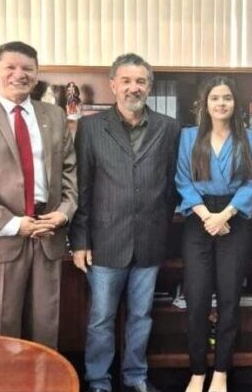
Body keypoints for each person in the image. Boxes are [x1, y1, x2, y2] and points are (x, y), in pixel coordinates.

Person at [0, 41, 78, 348]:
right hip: (0, 235)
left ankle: (44, 375)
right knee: (3, 327)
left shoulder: (55, 115)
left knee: (46, 325)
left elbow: (70, 171)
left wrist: (64, 213)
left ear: (36, 74)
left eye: (27, 69)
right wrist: (13, 223)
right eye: (10, 67)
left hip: (47, 231)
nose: (19, 74)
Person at [69, 53, 180, 392]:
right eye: (127, 81)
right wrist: (80, 241)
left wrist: (161, 222)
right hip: (104, 242)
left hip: (149, 241)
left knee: (141, 316)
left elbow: (172, 185)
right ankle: (98, 381)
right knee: (101, 318)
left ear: (150, 87)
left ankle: (135, 377)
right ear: (113, 85)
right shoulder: (90, 127)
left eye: (141, 81)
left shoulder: (169, 128)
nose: (134, 88)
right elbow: (82, 187)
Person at [175, 76, 252, 392]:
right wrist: (207, 217)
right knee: (197, 298)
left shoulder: (248, 137)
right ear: (205, 103)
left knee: (229, 297)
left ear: (235, 103)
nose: (221, 103)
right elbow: (182, 180)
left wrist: (224, 215)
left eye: (227, 97)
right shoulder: (188, 136)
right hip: (198, 217)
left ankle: (221, 371)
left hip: (234, 218)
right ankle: (198, 370)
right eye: (215, 98)